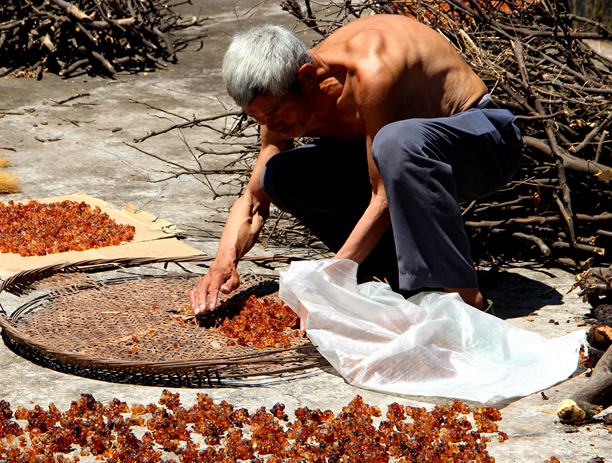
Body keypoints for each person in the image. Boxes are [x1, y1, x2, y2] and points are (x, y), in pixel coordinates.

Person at [189, 15, 522, 318]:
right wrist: (223, 263)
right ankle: (393, 276)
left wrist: (330, 279)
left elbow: (384, 195)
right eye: (258, 118)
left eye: (275, 114)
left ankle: (466, 299)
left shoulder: (369, 71)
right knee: (277, 173)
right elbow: (253, 200)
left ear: (305, 78)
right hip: (406, 163)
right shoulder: (277, 98)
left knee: (395, 142)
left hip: (483, 146)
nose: (270, 124)